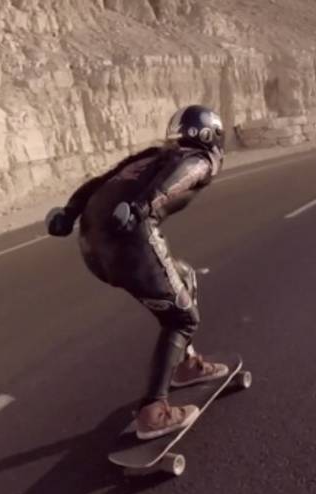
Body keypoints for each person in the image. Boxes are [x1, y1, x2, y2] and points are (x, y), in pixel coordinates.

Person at [45, 105, 229, 440]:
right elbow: (184, 176)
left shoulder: (152, 154)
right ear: (211, 136)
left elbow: (100, 182)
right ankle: (154, 411)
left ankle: (186, 365)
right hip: (131, 245)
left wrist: (68, 213)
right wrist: (142, 206)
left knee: (183, 277)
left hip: (92, 246)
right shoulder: (202, 159)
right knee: (183, 318)